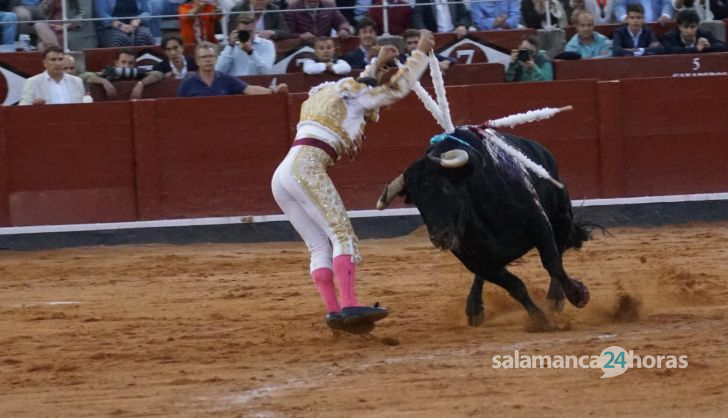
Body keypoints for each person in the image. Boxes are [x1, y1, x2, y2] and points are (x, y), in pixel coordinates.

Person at [270, 30, 436, 333]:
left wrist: (376, 66)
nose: (373, 111)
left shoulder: (330, 93)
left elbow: (362, 87)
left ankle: (334, 312)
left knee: (319, 245)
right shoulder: (357, 98)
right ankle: (347, 304)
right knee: (342, 236)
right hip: (307, 166)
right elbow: (395, 90)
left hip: (282, 175)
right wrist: (421, 53)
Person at [177, 41, 288, 97]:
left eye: (211, 56)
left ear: (216, 59)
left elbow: (249, 89)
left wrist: (272, 91)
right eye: (204, 57)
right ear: (197, 61)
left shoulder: (226, 79)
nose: (208, 60)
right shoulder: (188, 83)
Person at [130, 35, 198, 99]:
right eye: (169, 49)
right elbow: (155, 76)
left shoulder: (195, 63)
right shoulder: (160, 67)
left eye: (175, 48)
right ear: (165, 52)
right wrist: (140, 84)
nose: (173, 53)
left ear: (182, 48)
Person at [20, 45, 86, 105]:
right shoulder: (32, 82)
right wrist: (34, 105)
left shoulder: (77, 81)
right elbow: (23, 109)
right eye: (53, 60)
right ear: (45, 63)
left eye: (60, 59)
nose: (58, 63)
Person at [81, 48, 146, 99]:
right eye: (123, 62)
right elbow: (83, 76)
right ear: (116, 62)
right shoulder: (109, 72)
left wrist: (141, 84)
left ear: (134, 65)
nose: (127, 66)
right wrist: (104, 81)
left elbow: (155, 73)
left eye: (130, 63)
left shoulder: (137, 73)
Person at [661, 8, 727, 53]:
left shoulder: (705, 34)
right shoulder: (670, 37)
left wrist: (709, 46)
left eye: (692, 27)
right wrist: (695, 49)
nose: (689, 31)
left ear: (697, 26)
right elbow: (669, 50)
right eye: (685, 27)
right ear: (679, 27)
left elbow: (723, 47)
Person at [284, 0, 351, 42]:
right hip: (302, 48)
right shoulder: (292, 9)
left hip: (325, 47)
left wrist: (343, 29)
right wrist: (300, 36)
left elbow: (342, 21)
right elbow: (287, 34)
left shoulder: (329, 5)